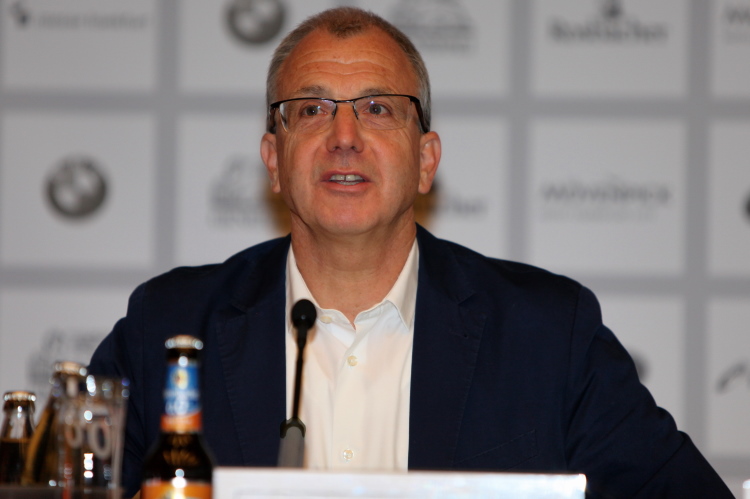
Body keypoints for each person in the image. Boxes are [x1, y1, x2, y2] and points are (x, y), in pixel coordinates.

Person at [89, 7, 732, 498]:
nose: (344, 136)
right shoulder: (167, 327)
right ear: (273, 161)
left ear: (426, 160)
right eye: (311, 110)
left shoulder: (548, 335)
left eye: (377, 108)